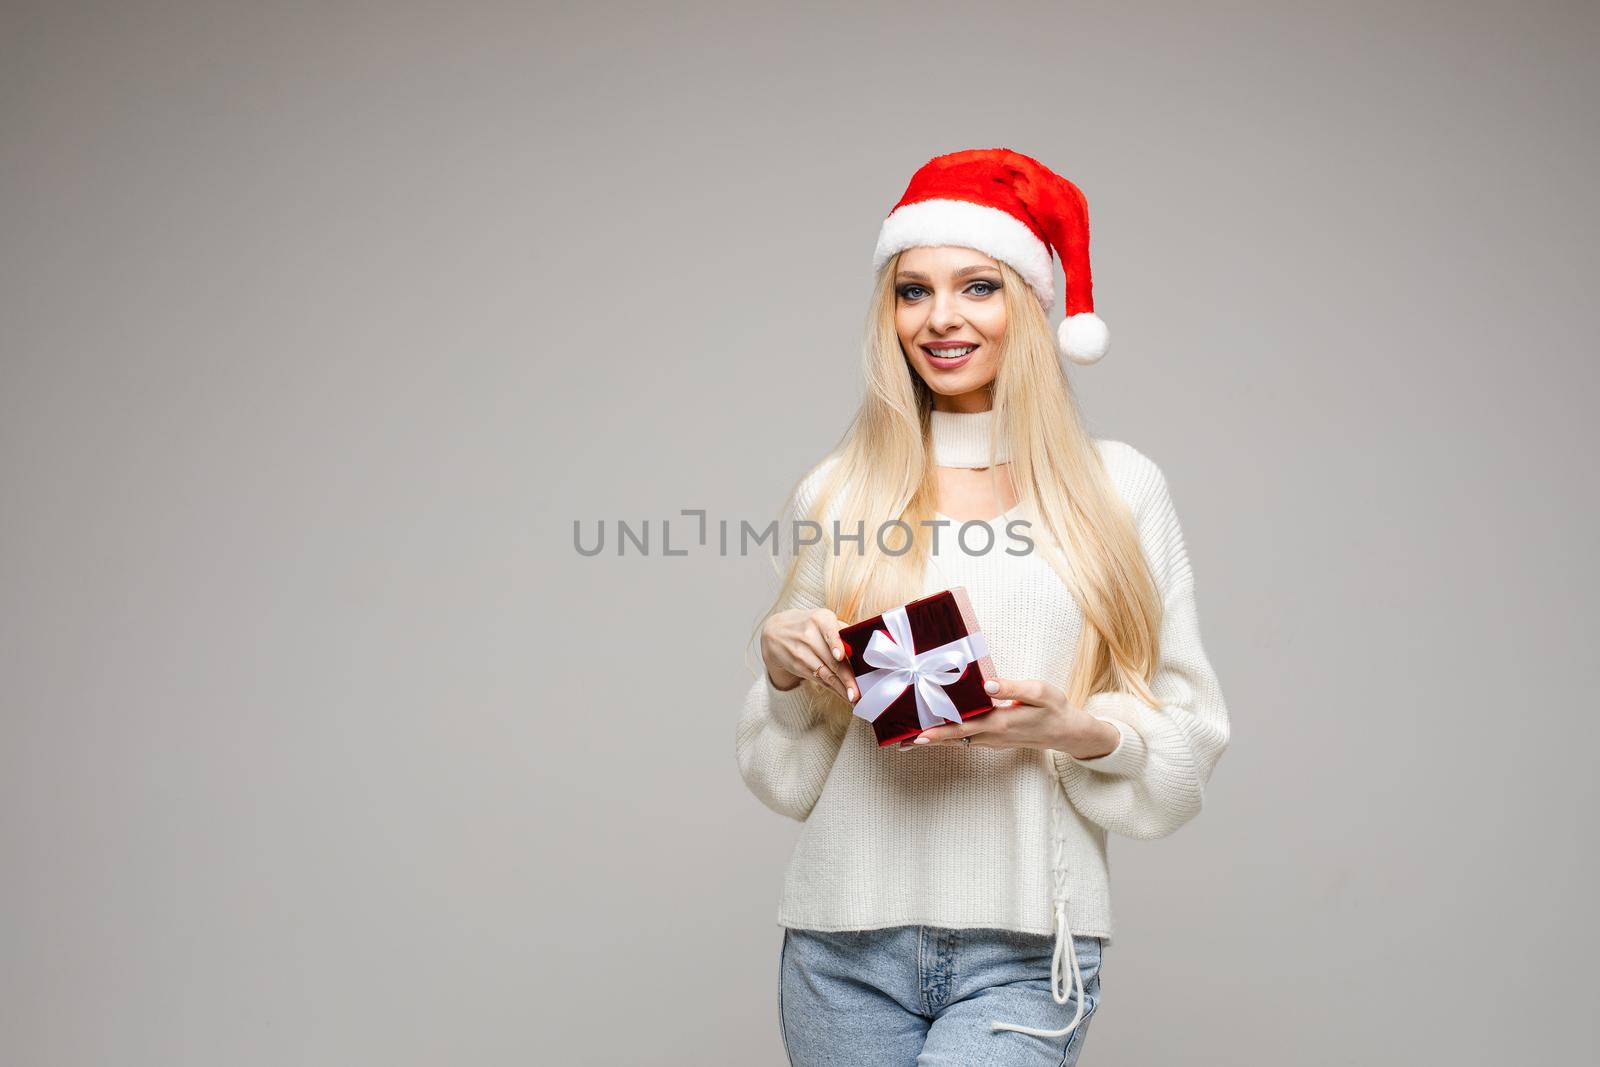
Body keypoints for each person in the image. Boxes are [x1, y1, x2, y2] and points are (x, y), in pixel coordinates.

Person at [735, 147, 1231, 1066]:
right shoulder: (840, 491)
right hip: (840, 947)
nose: (941, 319)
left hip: (1026, 948)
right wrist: (782, 672)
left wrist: (1077, 728)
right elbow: (786, 779)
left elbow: (1187, 740)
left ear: (1032, 310)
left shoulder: (1119, 489)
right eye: (912, 291)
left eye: (978, 287)